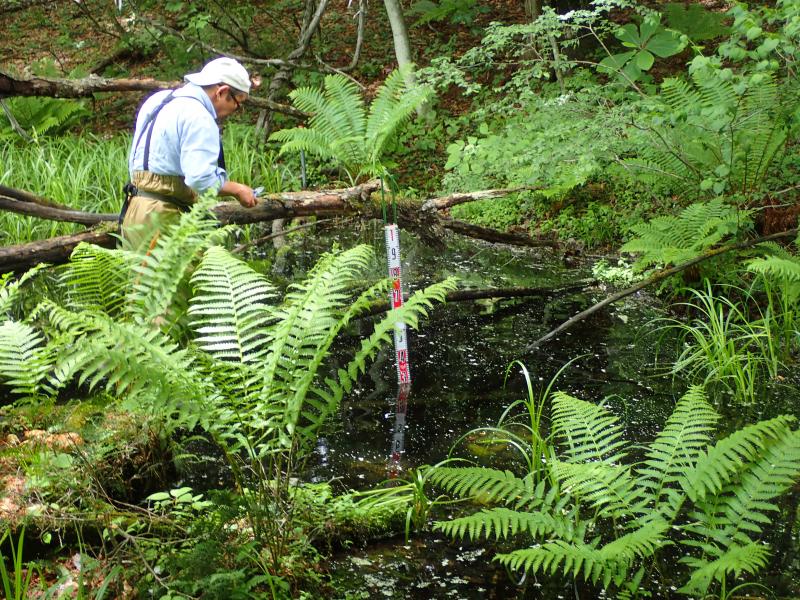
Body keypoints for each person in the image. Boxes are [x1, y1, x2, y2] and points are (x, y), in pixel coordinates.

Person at [121, 57, 258, 248]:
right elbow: (199, 179)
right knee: (186, 277)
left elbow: (135, 161)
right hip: (164, 216)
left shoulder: (158, 100)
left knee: (141, 277)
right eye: (237, 103)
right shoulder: (199, 116)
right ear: (222, 92)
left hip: (134, 209)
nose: (236, 109)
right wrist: (237, 189)